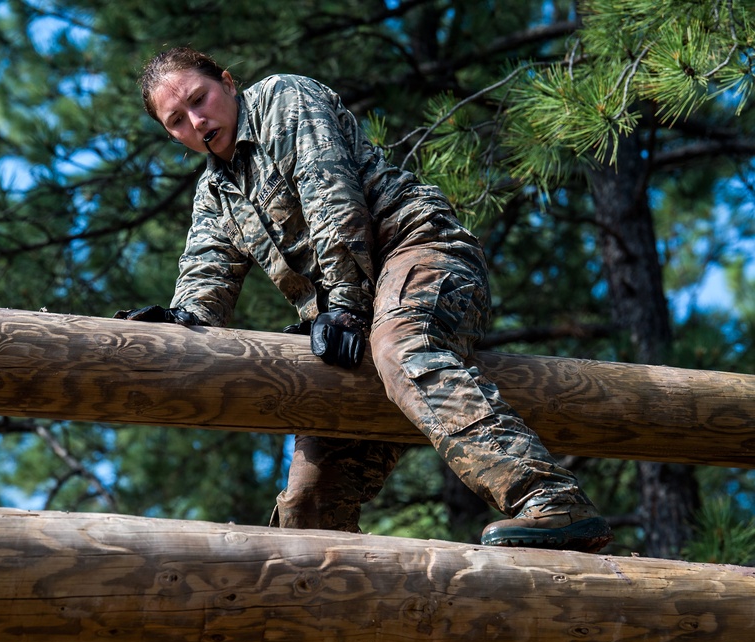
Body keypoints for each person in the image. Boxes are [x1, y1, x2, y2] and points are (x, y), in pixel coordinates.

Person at [119, 47, 613, 558]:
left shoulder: (283, 99)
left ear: (227, 82)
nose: (197, 121)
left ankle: (554, 502)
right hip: (352, 318)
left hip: (421, 253)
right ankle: (333, 620)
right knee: (307, 509)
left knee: (404, 349)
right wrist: (177, 323)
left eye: (201, 99)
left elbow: (331, 195)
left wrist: (345, 306)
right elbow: (206, 283)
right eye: (177, 120)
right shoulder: (215, 193)